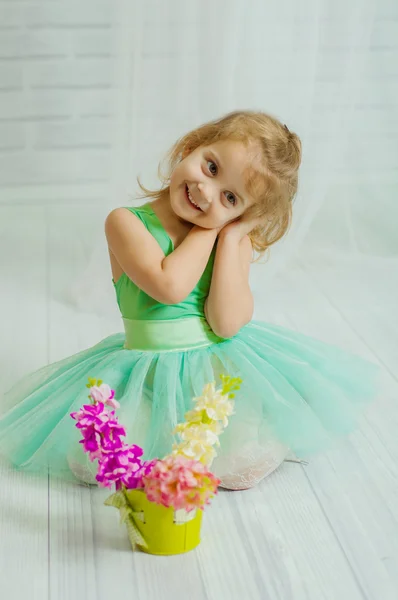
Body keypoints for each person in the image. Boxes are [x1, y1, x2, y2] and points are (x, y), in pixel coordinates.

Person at [0, 111, 379, 490]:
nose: (205, 192)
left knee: (238, 465)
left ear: (244, 214)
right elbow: (170, 286)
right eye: (211, 167)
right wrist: (214, 225)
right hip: (145, 373)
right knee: (99, 460)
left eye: (230, 197)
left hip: (214, 371)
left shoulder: (232, 239)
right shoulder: (125, 222)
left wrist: (231, 240)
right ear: (191, 147)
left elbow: (226, 323)